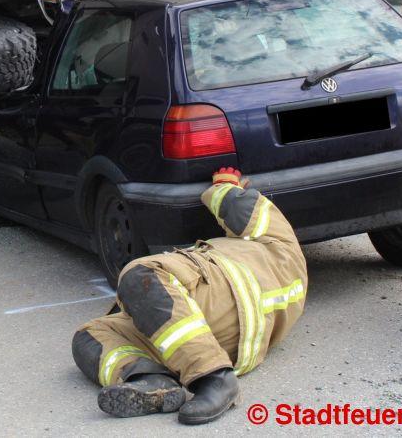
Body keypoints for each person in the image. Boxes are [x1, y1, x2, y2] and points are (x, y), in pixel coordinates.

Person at [72, 167, 307, 425]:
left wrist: (225, 183)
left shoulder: (273, 237)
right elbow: (243, 213)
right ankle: (151, 380)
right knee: (89, 335)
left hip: (227, 299)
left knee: (140, 275)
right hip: (220, 336)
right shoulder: (284, 253)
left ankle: (214, 377)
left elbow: (240, 206)